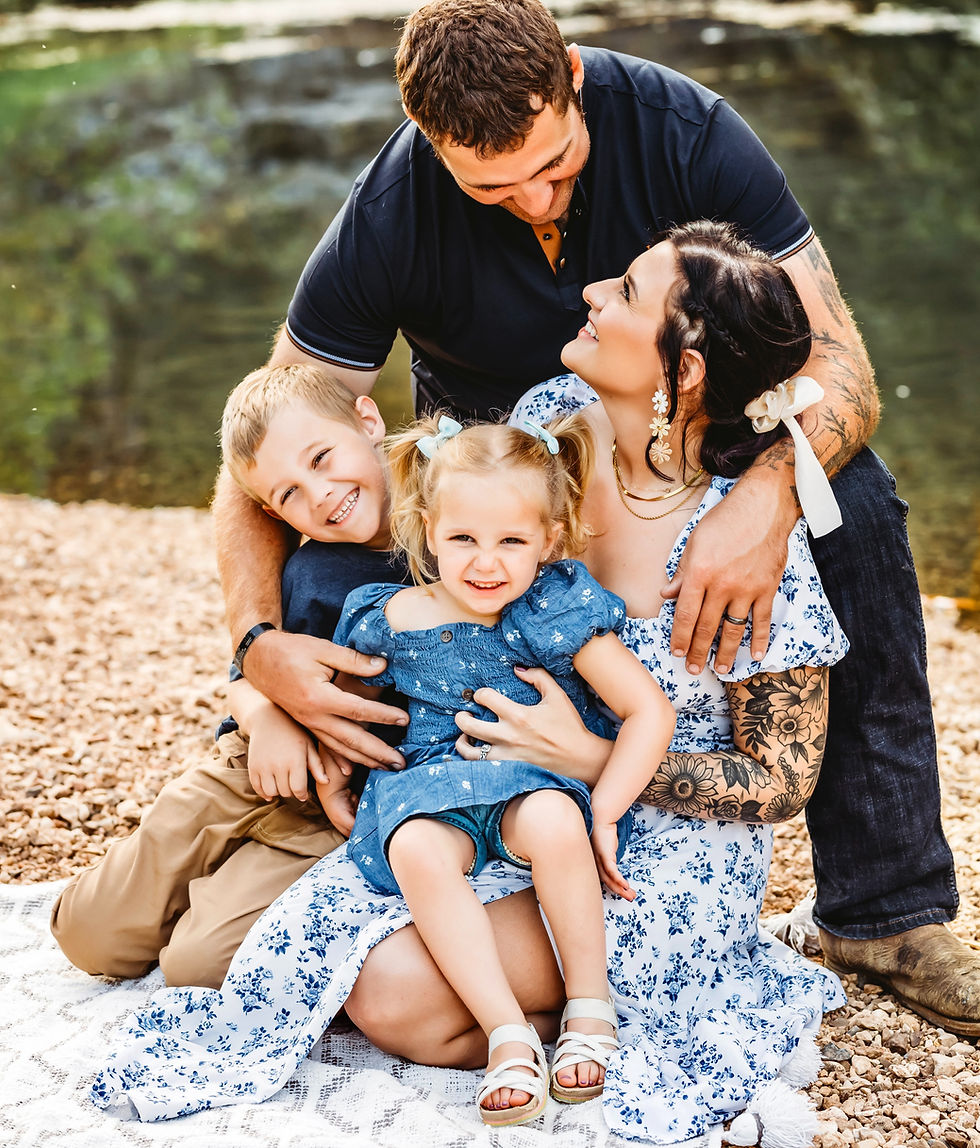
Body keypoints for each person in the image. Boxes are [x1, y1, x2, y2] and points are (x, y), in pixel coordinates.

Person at [210, 0, 979, 1035]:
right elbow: (265, 435)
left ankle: (882, 910)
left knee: (853, 501)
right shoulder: (390, 209)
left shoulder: (689, 135)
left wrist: (761, 494)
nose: (531, 201)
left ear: (571, 79)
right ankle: (345, 810)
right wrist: (254, 650)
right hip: (495, 465)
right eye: (491, 186)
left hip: (694, 430)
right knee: (322, 561)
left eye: (553, 168)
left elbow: (838, 360)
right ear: (430, 145)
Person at [90, 223, 849, 1146]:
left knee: (394, 994)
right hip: (481, 784)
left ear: (682, 373)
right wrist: (259, 675)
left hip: (651, 845)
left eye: (628, 292)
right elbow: (377, 495)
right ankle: (521, 1021)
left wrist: (593, 758)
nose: (592, 292)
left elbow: (783, 781)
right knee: (332, 964)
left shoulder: (748, 546)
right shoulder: (542, 422)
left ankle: (608, 1020)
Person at [332, 414, 676, 1124]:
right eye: (463, 538)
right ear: (427, 529)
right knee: (417, 846)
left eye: (511, 542)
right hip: (430, 785)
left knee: (553, 821)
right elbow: (340, 699)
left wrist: (604, 809)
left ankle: (589, 1008)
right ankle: (507, 1034)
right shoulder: (389, 617)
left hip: (530, 780)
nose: (485, 564)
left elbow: (649, 711)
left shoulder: (550, 607)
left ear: (548, 541)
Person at [50, 364, 409, 987]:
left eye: (321, 458)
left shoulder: (458, 540)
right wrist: (269, 718)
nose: (319, 495)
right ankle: (191, 885)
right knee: (88, 936)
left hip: (344, 802)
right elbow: (243, 676)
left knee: (195, 966)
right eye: (289, 494)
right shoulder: (308, 570)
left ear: (368, 420)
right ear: (271, 513)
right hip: (250, 760)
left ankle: (230, 896)